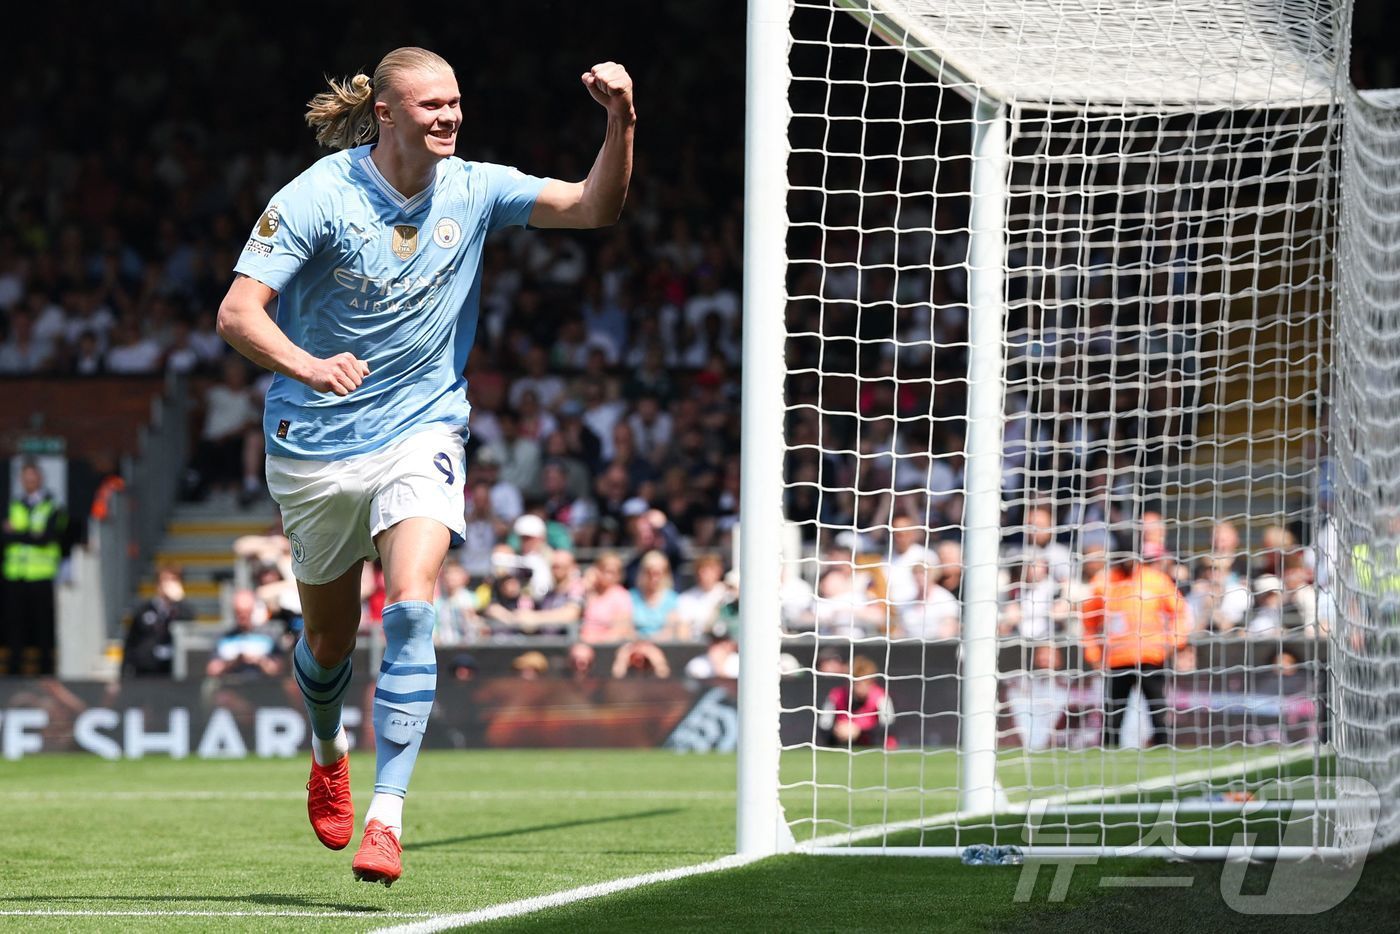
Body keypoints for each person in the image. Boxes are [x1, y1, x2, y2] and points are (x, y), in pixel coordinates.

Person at [215, 46, 634, 885]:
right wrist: (308, 365)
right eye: (431, 105)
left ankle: (387, 816)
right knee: (329, 644)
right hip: (315, 442)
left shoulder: (476, 187)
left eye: (456, 102)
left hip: (423, 429)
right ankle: (328, 747)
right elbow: (237, 313)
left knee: (411, 605)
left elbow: (593, 209)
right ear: (387, 114)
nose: (449, 116)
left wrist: (621, 120)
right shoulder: (318, 196)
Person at [1080, 530, 1193, 748]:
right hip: (1117, 658)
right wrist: (1094, 654)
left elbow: (1180, 611)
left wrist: (1173, 642)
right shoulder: (1103, 583)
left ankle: (1163, 748)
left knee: (1157, 708)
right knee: (1113, 712)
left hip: (1150, 656)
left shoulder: (1155, 580)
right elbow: (1089, 622)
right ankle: (1108, 750)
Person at [3, 461, 70, 676]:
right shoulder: (14, 505)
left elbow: (48, 537)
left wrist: (18, 533)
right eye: (26, 477)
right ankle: (13, 674)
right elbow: (5, 537)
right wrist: (32, 534)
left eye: (33, 477)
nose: (29, 481)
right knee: (14, 628)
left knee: (43, 627)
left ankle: (46, 673)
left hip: (41, 576)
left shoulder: (53, 506)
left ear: (40, 479)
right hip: (16, 575)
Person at [122, 564, 193, 677]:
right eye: (164, 580)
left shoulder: (183, 610)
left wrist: (178, 601)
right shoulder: (144, 610)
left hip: (173, 673)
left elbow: (190, 624)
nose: (168, 585)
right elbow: (130, 642)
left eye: (173, 581)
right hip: (145, 673)